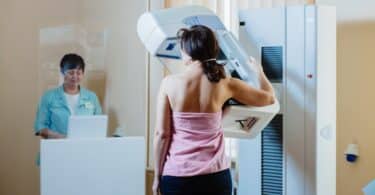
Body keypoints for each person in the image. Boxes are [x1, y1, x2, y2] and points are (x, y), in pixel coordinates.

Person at [152, 25, 275, 195]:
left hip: (178, 176)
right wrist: (259, 72)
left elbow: (162, 134)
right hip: (215, 177)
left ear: (188, 52)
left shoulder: (169, 83)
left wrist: (157, 175)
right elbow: (269, 98)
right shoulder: (227, 84)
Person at [34, 53, 102, 163]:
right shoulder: (49, 97)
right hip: (55, 153)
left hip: (84, 154)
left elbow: (98, 126)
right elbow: (41, 128)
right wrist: (63, 137)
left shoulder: (92, 97)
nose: (75, 76)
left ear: (83, 74)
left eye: (79, 73)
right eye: (71, 72)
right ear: (62, 72)